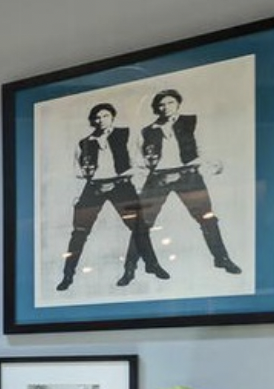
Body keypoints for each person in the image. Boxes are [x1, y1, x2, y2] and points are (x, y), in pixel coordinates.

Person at [56, 103, 167, 291]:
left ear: (113, 117)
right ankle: (67, 275)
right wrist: (78, 194)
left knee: (139, 227)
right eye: (97, 117)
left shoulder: (126, 134)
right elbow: (77, 171)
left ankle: (151, 265)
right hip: (94, 187)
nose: (101, 120)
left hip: (121, 186)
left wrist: (135, 185)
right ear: (93, 120)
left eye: (105, 116)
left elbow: (138, 162)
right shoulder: (84, 142)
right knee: (79, 233)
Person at [137, 89, 241, 275]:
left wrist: (209, 165)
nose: (165, 107)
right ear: (156, 108)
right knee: (143, 222)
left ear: (178, 104)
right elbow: (140, 160)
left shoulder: (192, 121)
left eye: (170, 103)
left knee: (207, 217)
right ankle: (144, 264)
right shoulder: (147, 131)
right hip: (159, 177)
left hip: (188, 174)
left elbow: (203, 147)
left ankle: (222, 258)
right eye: (161, 104)